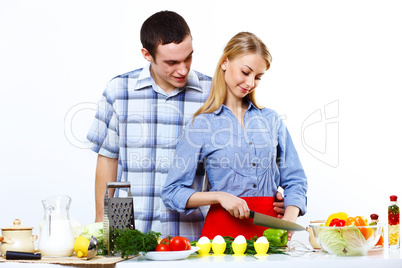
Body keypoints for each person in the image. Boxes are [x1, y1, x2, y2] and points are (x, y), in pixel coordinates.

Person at [87, 11, 285, 241]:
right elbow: (108, 159)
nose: (182, 70)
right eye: (171, 62)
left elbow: (240, 154)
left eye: (188, 58)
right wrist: (101, 225)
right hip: (130, 229)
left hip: (191, 232)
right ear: (147, 54)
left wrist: (269, 197)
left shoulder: (214, 93)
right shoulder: (119, 91)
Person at [162, 32, 307, 240]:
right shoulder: (202, 124)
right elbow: (172, 192)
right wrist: (220, 197)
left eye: (257, 77)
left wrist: (288, 222)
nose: (250, 83)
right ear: (224, 62)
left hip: (271, 232)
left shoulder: (271, 120)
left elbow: (296, 179)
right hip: (222, 234)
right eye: (245, 72)